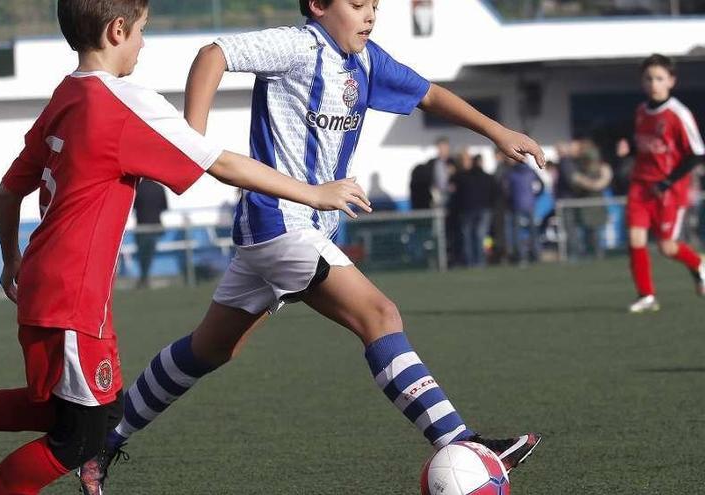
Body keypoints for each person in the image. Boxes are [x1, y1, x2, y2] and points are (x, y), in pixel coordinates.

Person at [0, 2, 369, 494]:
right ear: (117, 31)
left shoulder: (66, 95)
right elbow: (221, 164)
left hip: (46, 284)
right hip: (71, 294)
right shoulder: (124, 102)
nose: (143, 42)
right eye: (142, 31)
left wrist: (11, 257)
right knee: (83, 436)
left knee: (77, 410)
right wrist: (313, 192)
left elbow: (10, 190)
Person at [80, 1, 545, 492]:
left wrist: (497, 131)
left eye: (374, 5)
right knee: (380, 315)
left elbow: (428, 94)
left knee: (211, 348)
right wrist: (193, 138)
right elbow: (213, 52)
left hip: (296, 232)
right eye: (357, 4)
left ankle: (103, 440)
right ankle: (465, 442)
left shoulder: (365, 60)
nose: (370, 14)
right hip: (279, 223)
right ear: (319, 6)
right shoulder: (297, 45)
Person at [626, 54, 705, 313]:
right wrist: (626, 148)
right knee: (635, 238)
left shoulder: (678, 114)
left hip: (669, 191)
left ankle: (698, 262)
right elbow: (646, 148)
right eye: (648, 78)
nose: (653, 83)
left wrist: (668, 181)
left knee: (666, 247)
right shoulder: (639, 111)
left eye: (659, 78)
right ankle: (646, 295)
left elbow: (696, 153)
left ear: (671, 81)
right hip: (641, 186)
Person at [452, 153, 497, 267]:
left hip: (468, 209)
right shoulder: (488, 177)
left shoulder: (463, 176)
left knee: (468, 236)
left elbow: (456, 193)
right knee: (481, 236)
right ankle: (480, 261)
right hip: (484, 210)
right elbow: (495, 193)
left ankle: (470, 261)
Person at [569, 144, 613, 259]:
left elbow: (600, 184)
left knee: (597, 233)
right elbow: (576, 181)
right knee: (586, 233)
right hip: (584, 208)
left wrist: (588, 183)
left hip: (597, 207)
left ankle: (598, 254)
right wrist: (586, 182)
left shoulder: (603, 168)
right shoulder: (580, 170)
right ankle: (587, 254)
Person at [503, 158, 544, 265]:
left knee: (517, 232)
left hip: (516, 204)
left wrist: (509, 200)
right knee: (533, 231)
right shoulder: (531, 171)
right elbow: (542, 186)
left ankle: (520, 256)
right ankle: (536, 255)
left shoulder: (511, 173)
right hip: (530, 204)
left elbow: (506, 189)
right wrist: (535, 196)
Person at [132, 179, 168, 288]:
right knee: (149, 254)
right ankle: (145, 278)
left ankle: (144, 278)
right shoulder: (159, 188)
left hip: (141, 226)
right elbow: (164, 207)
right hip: (155, 226)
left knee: (143, 255)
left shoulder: (137, 188)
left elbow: (132, 207)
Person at [410, 136, 453, 210]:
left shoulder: (453, 162)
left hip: (451, 197)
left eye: (444, 147)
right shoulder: (432, 163)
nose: (442, 150)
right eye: (440, 147)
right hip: (437, 196)